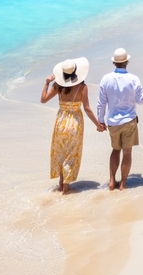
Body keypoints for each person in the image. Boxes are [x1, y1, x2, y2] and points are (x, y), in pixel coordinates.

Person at [41, 57, 102, 195]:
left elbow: (43, 99)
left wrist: (46, 83)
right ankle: (66, 189)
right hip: (75, 123)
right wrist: (98, 125)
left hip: (60, 122)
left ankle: (61, 184)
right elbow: (87, 109)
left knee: (61, 153)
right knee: (71, 155)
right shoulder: (82, 87)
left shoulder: (57, 86)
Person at [96, 48, 143, 190]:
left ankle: (112, 181)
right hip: (129, 120)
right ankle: (123, 183)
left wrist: (100, 120)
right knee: (127, 152)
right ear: (127, 62)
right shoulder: (134, 79)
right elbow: (141, 100)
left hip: (112, 121)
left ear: (114, 63)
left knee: (115, 150)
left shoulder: (106, 79)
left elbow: (101, 102)